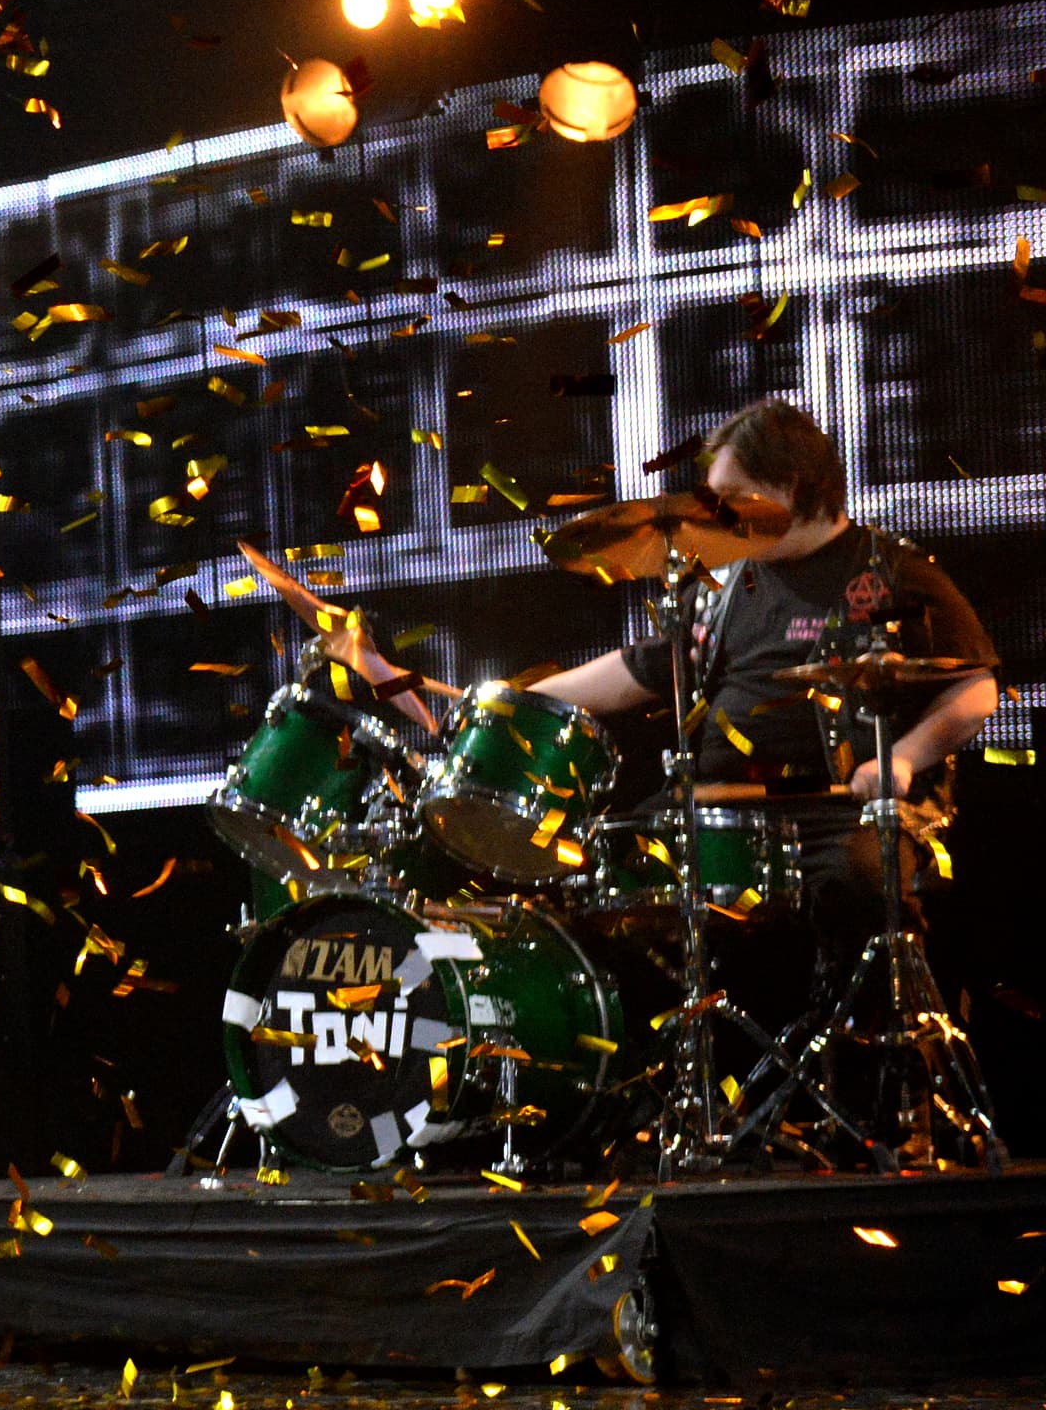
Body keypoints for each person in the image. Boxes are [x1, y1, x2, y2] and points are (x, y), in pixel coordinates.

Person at [335, 397, 998, 1051]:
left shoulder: (891, 571)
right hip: (716, 813)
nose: (712, 513)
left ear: (790, 486)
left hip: (841, 814)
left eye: (731, 493)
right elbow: (641, 668)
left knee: (859, 886)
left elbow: (975, 689)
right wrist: (507, 700)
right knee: (596, 877)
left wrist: (904, 756)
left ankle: (886, 1088)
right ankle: (633, 1091)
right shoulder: (726, 580)